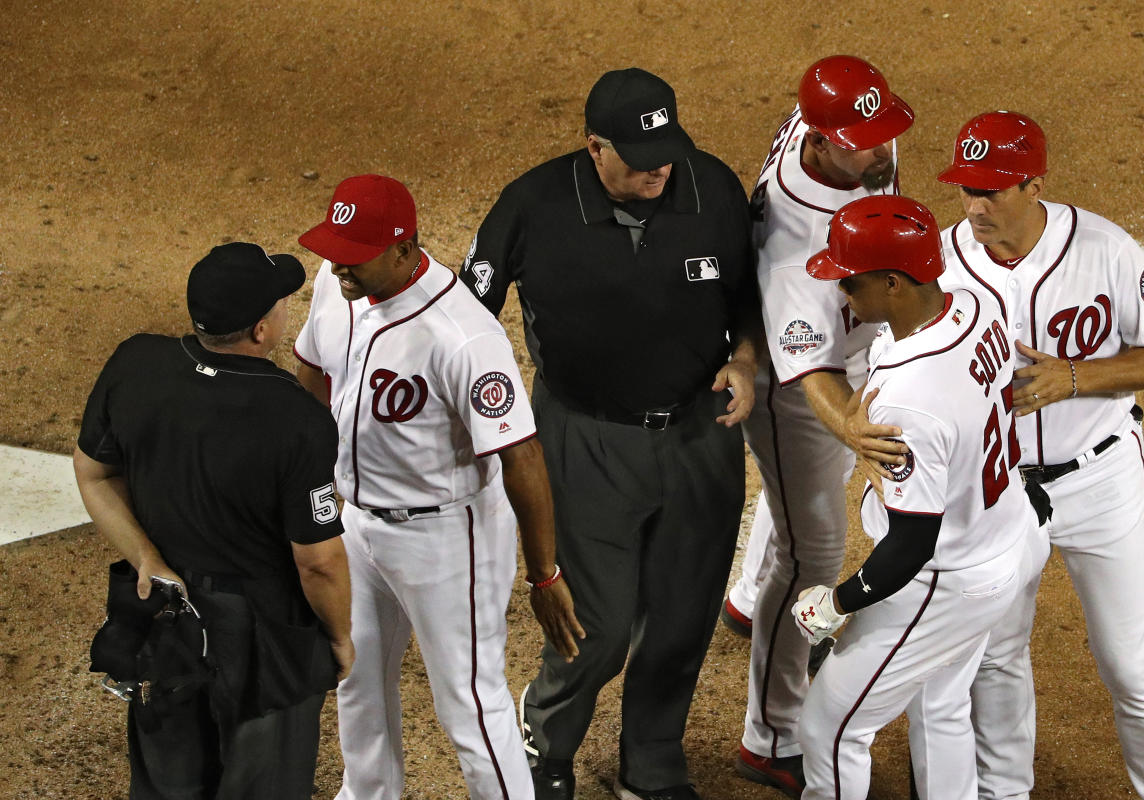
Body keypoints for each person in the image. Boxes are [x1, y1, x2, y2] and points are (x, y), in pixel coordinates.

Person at [462, 68, 759, 800]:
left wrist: (747, 359)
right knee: (595, 623)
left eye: (665, 149)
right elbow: (465, 318)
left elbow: (752, 296)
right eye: (636, 154)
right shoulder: (533, 204)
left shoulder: (710, 188)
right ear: (593, 147)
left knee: (684, 613)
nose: (658, 166)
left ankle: (652, 762)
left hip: (700, 434)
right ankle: (547, 743)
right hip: (584, 437)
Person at [293, 174, 580, 800]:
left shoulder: (464, 335)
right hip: (358, 523)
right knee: (356, 677)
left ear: (403, 250)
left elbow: (522, 455)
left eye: (356, 254)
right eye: (336, 249)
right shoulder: (335, 284)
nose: (340, 265)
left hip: (447, 537)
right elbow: (313, 369)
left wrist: (545, 574)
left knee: (469, 705)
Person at [934, 111, 1144, 800]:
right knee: (997, 657)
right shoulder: (939, 264)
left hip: (1098, 475)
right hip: (996, 493)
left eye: (992, 190)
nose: (976, 206)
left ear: (1034, 184)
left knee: (1131, 667)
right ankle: (1003, 793)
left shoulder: (1103, 248)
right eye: (966, 189)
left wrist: (1072, 378)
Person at [74, 241, 354, 799]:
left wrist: (146, 559)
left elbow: (94, 474)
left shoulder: (136, 361)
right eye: (279, 304)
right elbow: (318, 562)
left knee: (167, 784)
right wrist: (340, 638)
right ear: (260, 331)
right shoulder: (297, 418)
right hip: (260, 638)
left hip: (166, 618)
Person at [792, 194, 1041, 800]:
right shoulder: (976, 306)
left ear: (895, 283)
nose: (843, 294)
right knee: (941, 701)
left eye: (851, 283)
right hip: (1006, 534)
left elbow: (909, 545)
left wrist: (838, 602)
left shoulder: (911, 401)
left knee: (830, 726)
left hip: (943, 578)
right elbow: (996, 398)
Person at [729, 55, 914, 797]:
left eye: (882, 132)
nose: (881, 151)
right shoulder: (795, 253)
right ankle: (769, 734)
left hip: (851, 345)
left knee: (796, 517)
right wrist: (856, 432)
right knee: (815, 552)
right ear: (820, 141)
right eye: (863, 142)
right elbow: (811, 377)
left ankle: (746, 599)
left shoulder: (857, 146)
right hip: (794, 390)